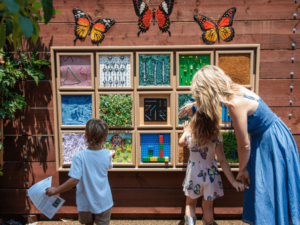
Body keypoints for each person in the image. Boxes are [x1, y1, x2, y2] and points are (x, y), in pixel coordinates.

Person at [179, 65, 300, 225]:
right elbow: (214, 100)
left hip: (270, 142)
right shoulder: (235, 90)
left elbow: (244, 145)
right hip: (273, 135)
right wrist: (196, 105)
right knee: (272, 187)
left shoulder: (235, 104)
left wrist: (242, 170)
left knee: (267, 189)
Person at [46, 119, 115, 225]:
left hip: (85, 203)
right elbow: (109, 158)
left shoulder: (79, 156)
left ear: (85, 135)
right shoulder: (108, 154)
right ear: (106, 137)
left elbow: (74, 179)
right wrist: (110, 153)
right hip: (103, 202)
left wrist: (56, 190)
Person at [180, 112, 244, 225]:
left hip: (194, 174)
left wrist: (185, 131)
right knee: (208, 206)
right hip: (210, 174)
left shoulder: (190, 134)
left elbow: (181, 143)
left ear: (195, 123)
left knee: (190, 203)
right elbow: (222, 160)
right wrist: (233, 181)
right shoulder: (217, 137)